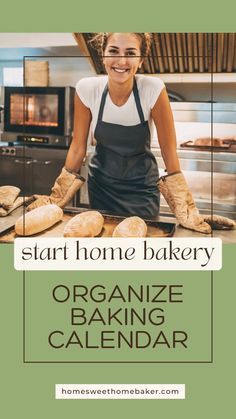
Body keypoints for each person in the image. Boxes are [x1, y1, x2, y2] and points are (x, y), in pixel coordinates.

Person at [28, 33, 235, 233]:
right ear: (103, 54)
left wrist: (186, 208)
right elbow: (78, 148)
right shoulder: (87, 89)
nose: (121, 60)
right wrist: (56, 199)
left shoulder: (152, 89)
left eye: (130, 53)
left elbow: (168, 152)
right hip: (101, 186)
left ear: (141, 59)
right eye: (114, 51)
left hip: (142, 190)